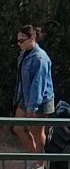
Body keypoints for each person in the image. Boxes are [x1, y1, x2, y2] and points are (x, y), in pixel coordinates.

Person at [13, 26, 53, 158]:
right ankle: (34, 157)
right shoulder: (24, 54)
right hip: (25, 96)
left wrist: (33, 107)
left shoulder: (40, 58)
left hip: (40, 100)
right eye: (17, 41)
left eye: (22, 40)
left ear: (32, 38)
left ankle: (41, 163)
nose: (19, 43)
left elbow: (38, 84)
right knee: (18, 128)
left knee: (36, 131)